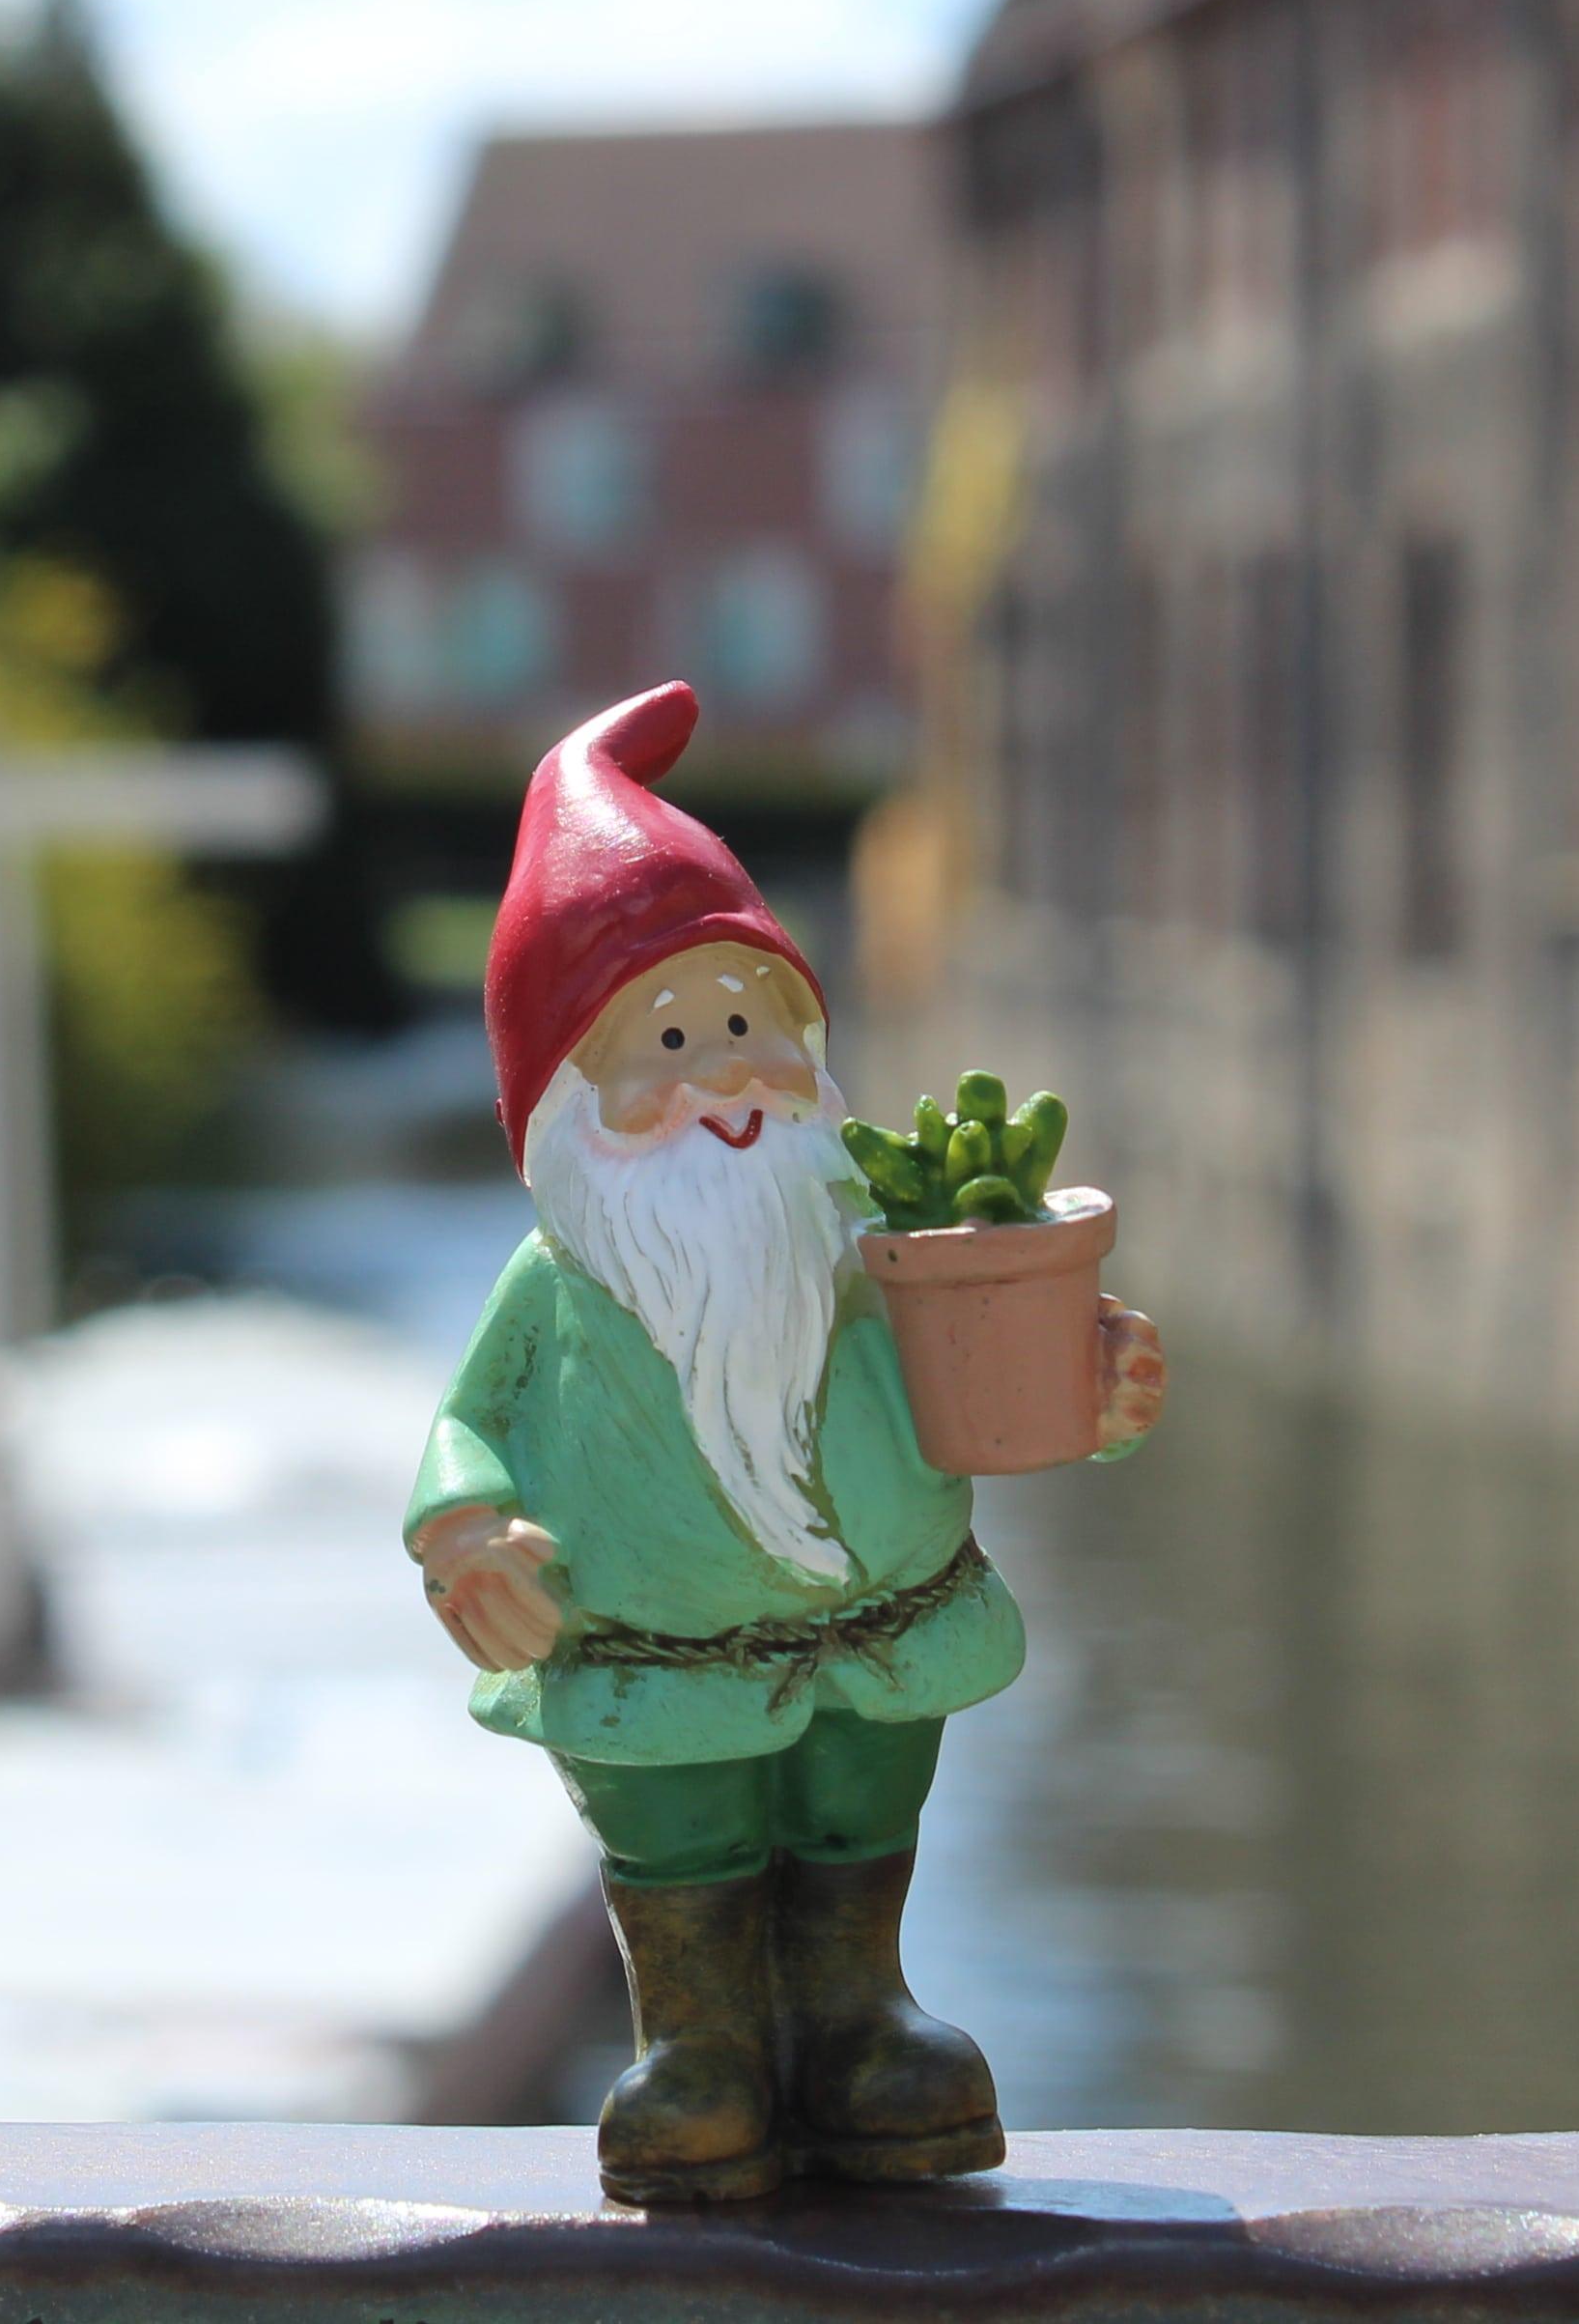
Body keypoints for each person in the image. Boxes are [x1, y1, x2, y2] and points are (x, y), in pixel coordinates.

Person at [407, 683, 1163, 2204]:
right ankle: (700, 2053)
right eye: (668, 1037)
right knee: (683, 1846)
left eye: (753, 1027)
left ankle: (860, 2027)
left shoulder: (871, 1229)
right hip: (653, 1664)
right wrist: (466, 1532)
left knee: (857, 1821)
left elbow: (991, 1356)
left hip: (885, 1633)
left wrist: (1094, 1388)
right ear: (568, 1101)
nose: (725, 1076)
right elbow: (464, 1430)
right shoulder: (556, 1289)